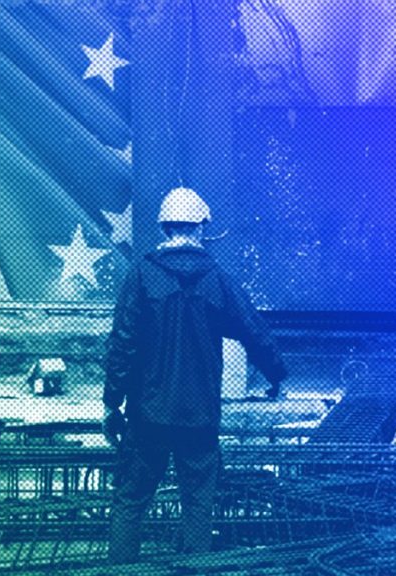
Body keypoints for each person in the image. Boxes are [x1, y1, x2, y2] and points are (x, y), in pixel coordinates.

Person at [103, 187, 288, 562]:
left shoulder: (142, 274)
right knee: (198, 504)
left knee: (130, 500)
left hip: (148, 411)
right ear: (201, 227)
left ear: (164, 226)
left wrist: (112, 402)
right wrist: (276, 376)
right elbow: (253, 330)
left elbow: (122, 341)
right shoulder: (217, 279)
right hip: (199, 413)